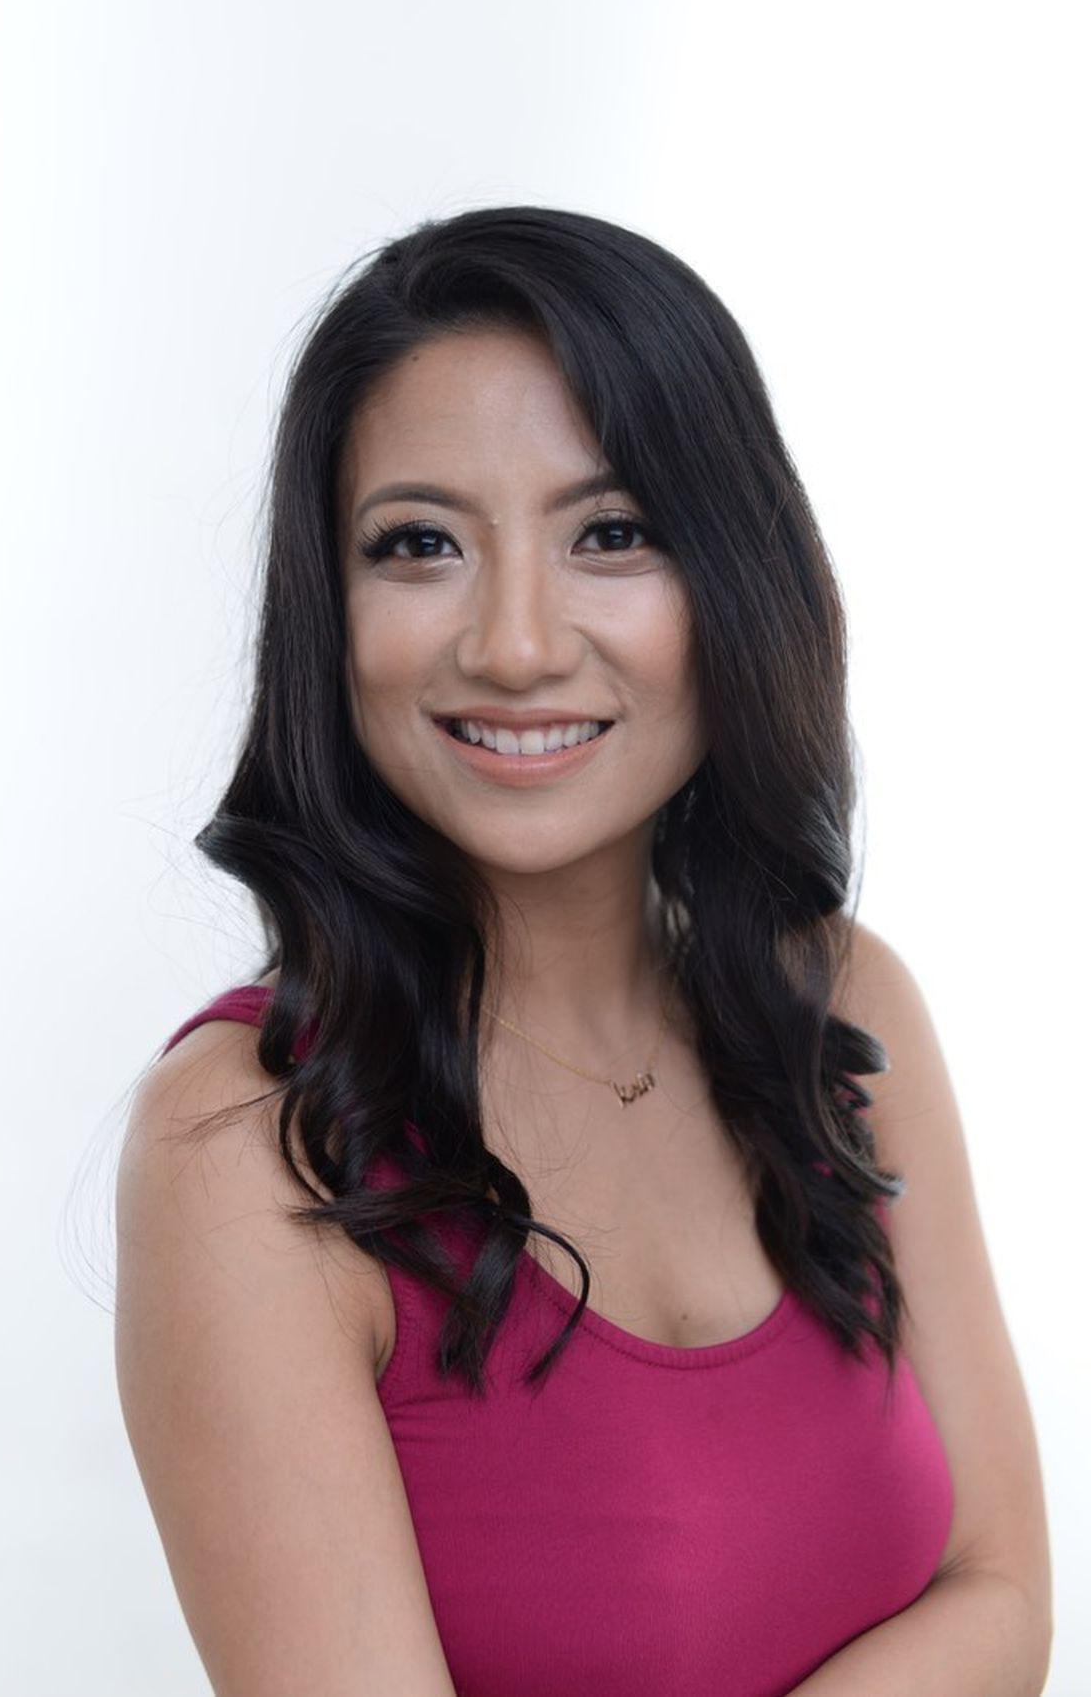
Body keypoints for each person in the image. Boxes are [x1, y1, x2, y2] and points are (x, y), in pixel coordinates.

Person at [113, 205, 1052, 1697]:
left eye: (610, 533)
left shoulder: (837, 1007)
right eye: (421, 544)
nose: (517, 645)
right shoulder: (250, 1148)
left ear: (735, 577)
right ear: (328, 609)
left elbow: (1002, 1593)